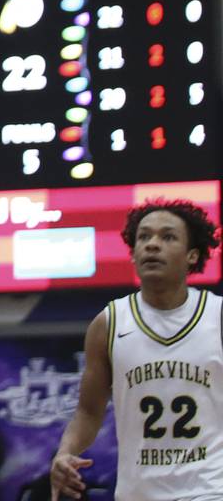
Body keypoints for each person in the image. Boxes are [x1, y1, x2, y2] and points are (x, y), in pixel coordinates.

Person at [50, 199, 223, 500]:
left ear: (192, 256)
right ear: (133, 254)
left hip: (210, 489)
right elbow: (88, 412)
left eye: (168, 237)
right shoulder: (109, 323)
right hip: (138, 493)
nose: (152, 245)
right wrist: (65, 452)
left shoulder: (217, 316)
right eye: (144, 237)